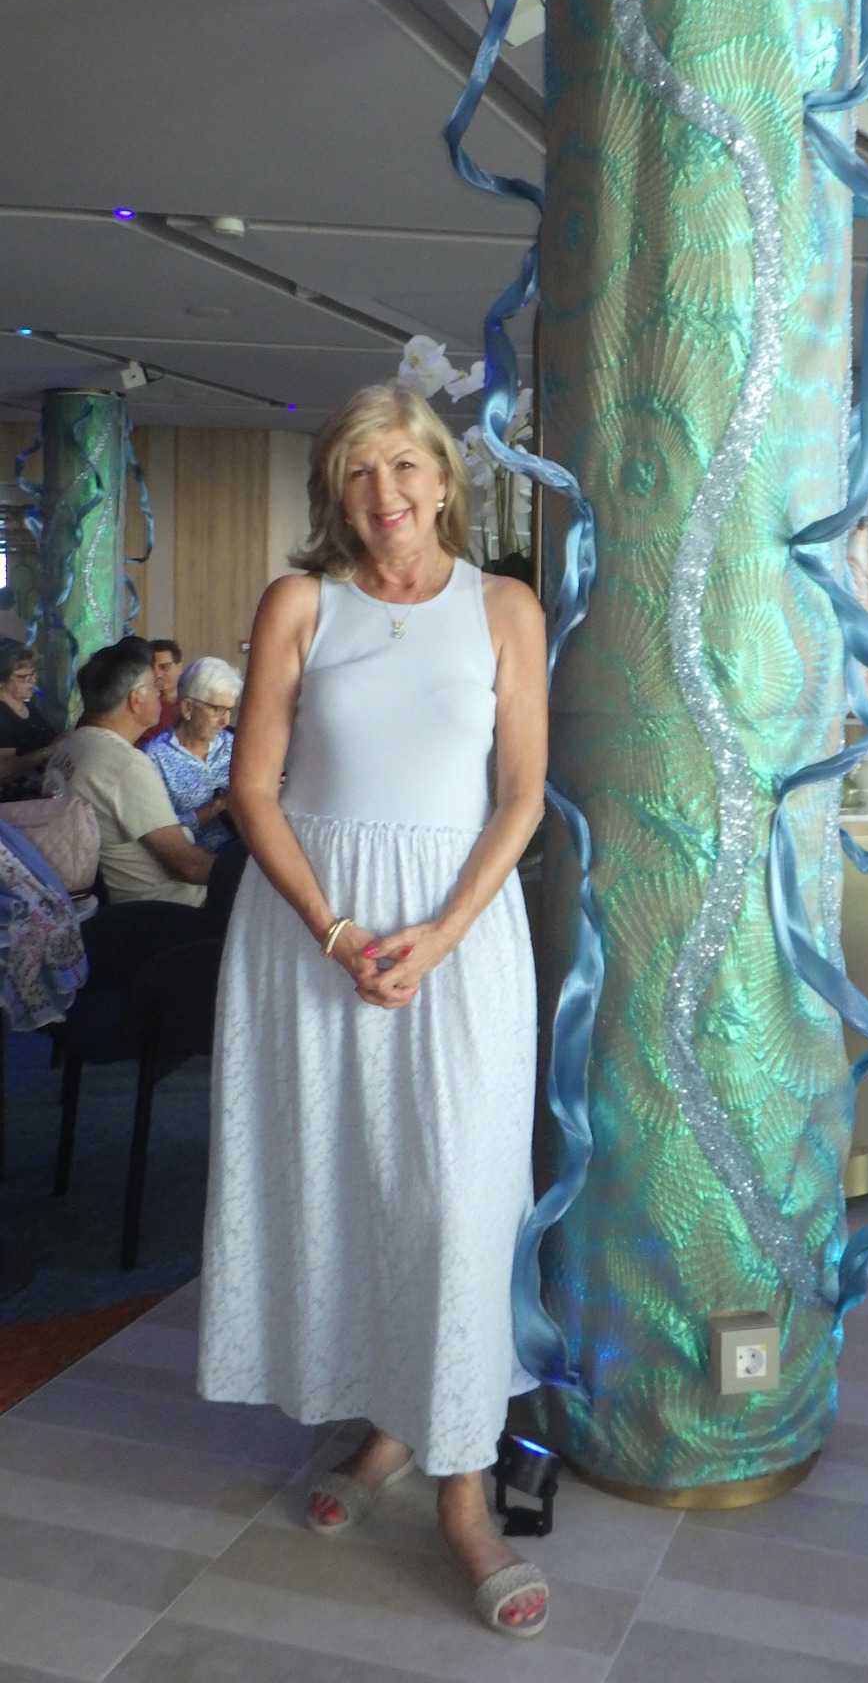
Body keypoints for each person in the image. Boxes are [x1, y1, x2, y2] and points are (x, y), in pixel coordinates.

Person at [197, 385, 550, 1639]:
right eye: (358, 470)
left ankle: (463, 1488)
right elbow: (253, 788)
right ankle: (388, 1425)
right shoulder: (301, 602)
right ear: (334, 491)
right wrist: (338, 932)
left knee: (457, 1198)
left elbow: (521, 794)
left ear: (446, 479)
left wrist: (438, 936)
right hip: (312, 933)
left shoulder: (504, 607)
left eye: (404, 465)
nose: (384, 492)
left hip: (460, 933)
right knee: (345, 1181)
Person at [46, 637, 215, 907]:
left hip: (107, 908)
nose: (160, 692)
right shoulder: (125, 764)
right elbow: (188, 867)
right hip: (167, 910)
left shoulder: (68, 747)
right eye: (154, 685)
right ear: (137, 699)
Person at [143, 657, 241, 850]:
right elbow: (158, 833)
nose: (225, 721)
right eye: (218, 710)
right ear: (188, 708)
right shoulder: (154, 758)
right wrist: (217, 806)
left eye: (229, 710)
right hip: (192, 862)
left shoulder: (236, 746)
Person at [0, 639, 59, 796]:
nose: (32, 680)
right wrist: (46, 752)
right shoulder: (2, 715)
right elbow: (3, 771)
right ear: (2, 681)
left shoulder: (30, 708)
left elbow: (52, 740)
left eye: (33, 673)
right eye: (22, 676)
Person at [137, 637, 183, 745]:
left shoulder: (193, 703)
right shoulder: (140, 706)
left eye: (164, 667)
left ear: (180, 667)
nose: (157, 674)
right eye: (152, 668)